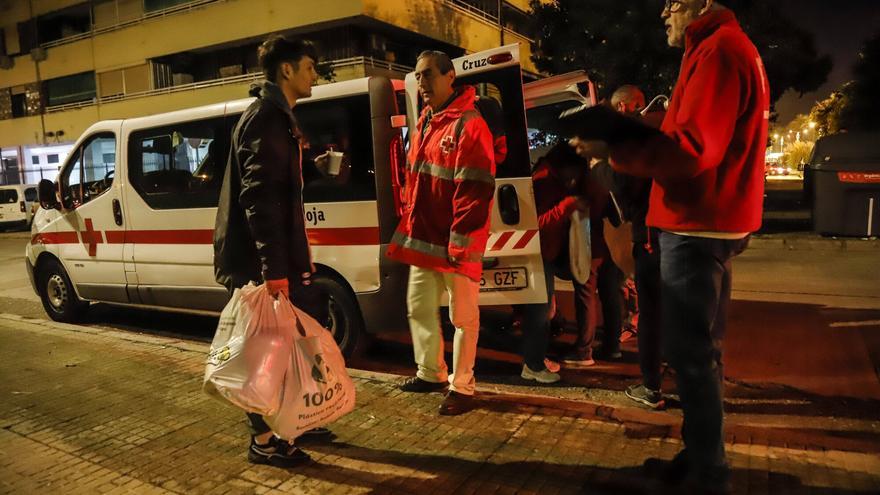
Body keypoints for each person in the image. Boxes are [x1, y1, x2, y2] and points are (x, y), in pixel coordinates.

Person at [603, 2, 770, 492]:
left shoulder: (718, 51)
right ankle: (702, 456)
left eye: (673, 2)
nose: (663, 12)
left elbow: (692, 149)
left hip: (697, 224)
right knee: (701, 354)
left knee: (691, 356)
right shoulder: (726, 47)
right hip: (710, 221)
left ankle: (707, 472)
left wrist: (612, 150)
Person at [213, 35, 333, 468]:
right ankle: (263, 441)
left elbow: (278, 192)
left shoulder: (279, 118)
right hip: (257, 265)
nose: (313, 74)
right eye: (308, 66)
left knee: (293, 342)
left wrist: (312, 171)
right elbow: (259, 199)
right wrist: (273, 269)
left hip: (275, 260)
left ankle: (295, 418)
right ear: (287, 70)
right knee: (262, 352)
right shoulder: (264, 118)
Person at [386, 50, 496, 416]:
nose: (422, 83)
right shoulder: (428, 124)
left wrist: (460, 244)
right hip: (427, 239)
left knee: (463, 317)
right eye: (418, 76)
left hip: (454, 243)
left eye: (428, 74)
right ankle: (431, 372)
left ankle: (463, 386)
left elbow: (475, 190)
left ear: (451, 77)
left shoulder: (468, 124)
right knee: (418, 307)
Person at [587, 85, 665, 409]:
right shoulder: (663, 127)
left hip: (650, 232)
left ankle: (652, 386)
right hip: (675, 231)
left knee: (651, 311)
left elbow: (621, 183)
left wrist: (596, 163)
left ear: (623, 108)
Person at [523, 142, 608, 382]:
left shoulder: (553, 176)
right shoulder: (544, 180)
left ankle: (537, 359)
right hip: (541, 251)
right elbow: (538, 224)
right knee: (540, 309)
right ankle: (533, 364)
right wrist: (566, 207)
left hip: (550, 251)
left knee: (544, 307)